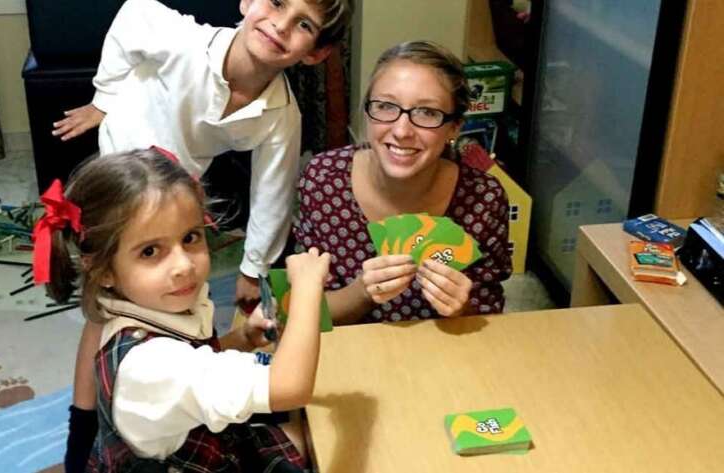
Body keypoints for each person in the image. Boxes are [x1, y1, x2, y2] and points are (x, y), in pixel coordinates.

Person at [50, 1, 352, 468]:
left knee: (180, 300)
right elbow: (134, 14)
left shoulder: (280, 114)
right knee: (108, 314)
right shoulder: (187, 40)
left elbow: (272, 189)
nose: (280, 25)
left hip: (175, 184)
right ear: (249, 1)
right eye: (275, 3)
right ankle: (82, 436)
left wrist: (254, 268)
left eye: (304, 24)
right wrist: (103, 98)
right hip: (126, 168)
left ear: (315, 53)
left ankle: (187, 362)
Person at [33, 149, 331, 472]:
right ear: (103, 270)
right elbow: (289, 388)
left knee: (305, 434)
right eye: (150, 251)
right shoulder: (152, 365)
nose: (183, 265)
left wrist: (242, 337)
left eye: (190, 238)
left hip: (197, 438)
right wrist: (306, 290)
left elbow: (195, 361)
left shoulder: (141, 305)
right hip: (189, 462)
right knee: (319, 440)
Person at [293, 41, 512, 325]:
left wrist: (461, 308)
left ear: (454, 127)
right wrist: (362, 291)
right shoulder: (322, 181)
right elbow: (300, 310)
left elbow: (491, 320)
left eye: (427, 113)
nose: (401, 131)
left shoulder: (483, 199)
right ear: (367, 112)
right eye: (385, 106)